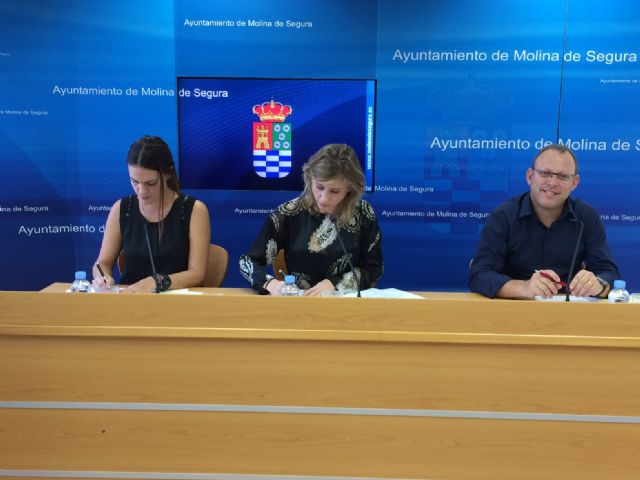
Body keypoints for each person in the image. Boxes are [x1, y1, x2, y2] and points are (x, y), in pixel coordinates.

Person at [469, 144, 620, 299]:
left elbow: (609, 273)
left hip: (570, 308)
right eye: (545, 173)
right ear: (530, 176)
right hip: (514, 306)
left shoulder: (587, 217)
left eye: (562, 176)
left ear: (574, 183)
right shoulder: (503, 216)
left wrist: (598, 285)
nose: (552, 182)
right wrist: (524, 287)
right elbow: (479, 275)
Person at [240, 143, 383, 296]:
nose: (324, 198)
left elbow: (374, 268)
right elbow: (248, 262)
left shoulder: (363, 213)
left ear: (350, 188)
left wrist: (335, 284)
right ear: (310, 179)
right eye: (319, 187)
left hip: (345, 301)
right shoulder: (288, 214)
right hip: (301, 301)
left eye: (335, 191)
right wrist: (270, 283)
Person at [92, 136, 211, 293]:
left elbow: (197, 274)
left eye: (151, 183)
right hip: (131, 299)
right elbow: (102, 263)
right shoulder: (122, 208)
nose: (141, 191)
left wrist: (156, 281)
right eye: (134, 181)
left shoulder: (194, 210)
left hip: (178, 300)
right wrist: (102, 276)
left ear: (168, 173)